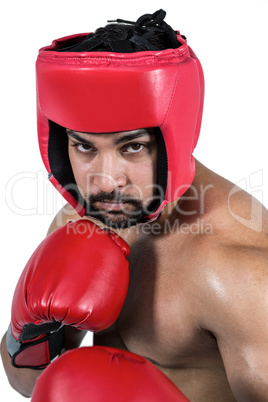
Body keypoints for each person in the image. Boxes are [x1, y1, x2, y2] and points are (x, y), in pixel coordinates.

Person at [1, 9, 268, 401]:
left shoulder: (241, 275)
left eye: (133, 147)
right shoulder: (80, 220)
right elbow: (26, 382)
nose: (107, 181)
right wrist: (29, 334)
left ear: (173, 139)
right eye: (84, 146)